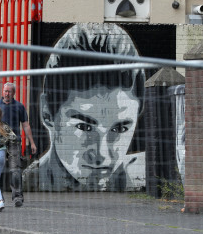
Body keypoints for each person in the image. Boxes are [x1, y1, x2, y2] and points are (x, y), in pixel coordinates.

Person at [23, 23, 146, 192]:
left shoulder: (143, 175)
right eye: (84, 127)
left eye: (120, 128)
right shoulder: (23, 183)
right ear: (47, 114)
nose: (102, 154)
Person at [0, 82, 37, 207]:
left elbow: (26, 125)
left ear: (14, 93)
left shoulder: (19, 106)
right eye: (5, 91)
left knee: (15, 170)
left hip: (14, 142)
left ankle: (17, 197)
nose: (7, 93)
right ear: (2, 91)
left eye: (9, 91)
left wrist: (31, 142)